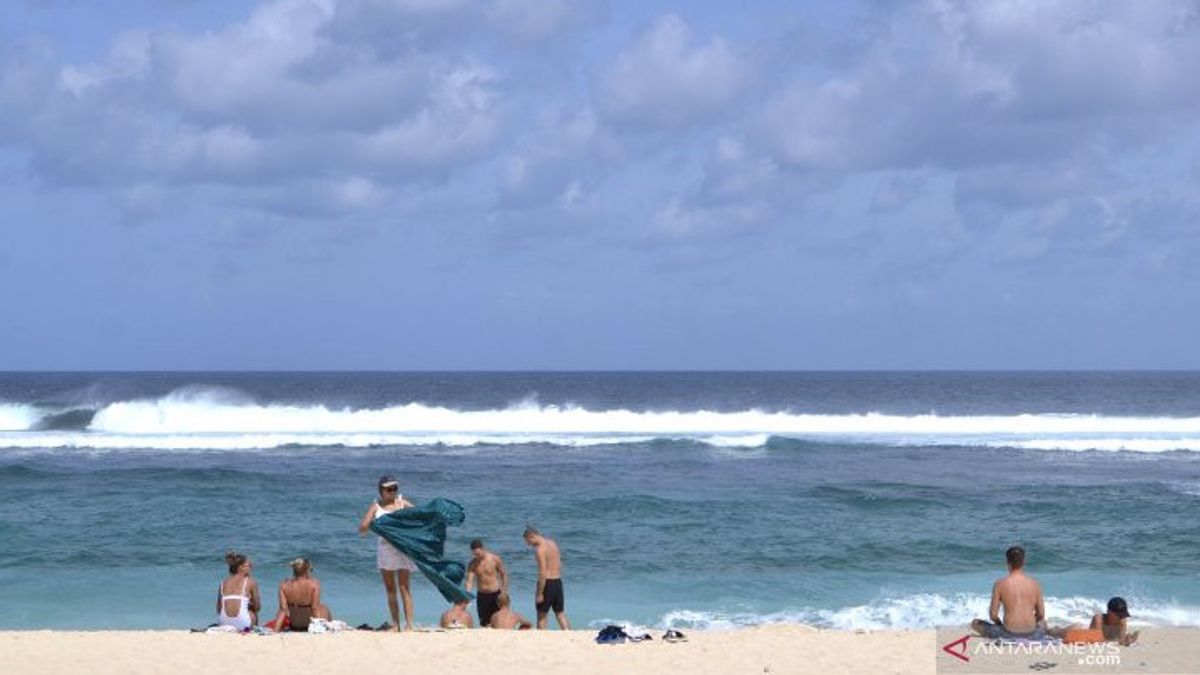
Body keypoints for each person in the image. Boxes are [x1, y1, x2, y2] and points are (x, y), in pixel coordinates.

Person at [358, 474, 417, 631]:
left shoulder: (402, 503)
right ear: (381, 490)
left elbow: (421, 516)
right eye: (388, 489)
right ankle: (396, 624)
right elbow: (362, 529)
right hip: (386, 550)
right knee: (391, 589)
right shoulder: (376, 507)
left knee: (405, 587)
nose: (392, 491)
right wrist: (376, 524)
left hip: (403, 548)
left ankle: (409, 625)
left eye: (394, 488)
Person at [970, 546, 1047, 640]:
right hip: (1032, 635)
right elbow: (1041, 615)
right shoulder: (1035, 584)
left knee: (975, 623)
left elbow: (993, 615)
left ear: (1007, 562)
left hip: (1007, 634)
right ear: (1023, 561)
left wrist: (1000, 625)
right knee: (1044, 623)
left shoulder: (1000, 584)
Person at [523, 526, 570, 630]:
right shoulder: (553, 543)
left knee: (541, 615)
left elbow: (542, 572)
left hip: (547, 583)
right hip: (558, 581)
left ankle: (541, 638)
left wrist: (540, 593)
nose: (529, 545)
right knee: (560, 613)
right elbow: (560, 564)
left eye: (528, 542)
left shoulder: (540, 550)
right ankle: (568, 635)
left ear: (531, 537)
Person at [271, 557, 332, 632]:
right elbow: (314, 609)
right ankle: (327, 630)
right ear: (307, 570)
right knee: (324, 607)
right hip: (309, 625)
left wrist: (275, 630)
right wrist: (319, 628)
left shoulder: (284, 585)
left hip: (294, 626)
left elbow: (283, 610)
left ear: (293, 570)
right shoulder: (314, 584)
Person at [466, 539, 509, 628]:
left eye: (478, 553)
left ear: (482, 549)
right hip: (482, 596)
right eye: (474, 554)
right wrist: (467, 596)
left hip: (496, 595)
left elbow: (504, 575)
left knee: (498, 622)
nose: (476, 556)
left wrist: (504, 592)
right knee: (484, 624)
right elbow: (469, 581)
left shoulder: (494, 559)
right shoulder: (472, 564)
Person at [216, 551, 261, 631]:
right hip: (243, 625)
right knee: (253, 612)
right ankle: (250, 630)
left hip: (223, 623)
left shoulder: (223, 582)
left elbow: (219, 608)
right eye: (249, 565)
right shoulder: (250, 582)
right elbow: (257, 607)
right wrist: (249, 606)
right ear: (240, 567)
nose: (251, 567)